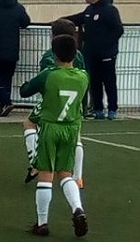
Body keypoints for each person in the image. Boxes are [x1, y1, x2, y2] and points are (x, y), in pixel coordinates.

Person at [19, 34, 88, 238]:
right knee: (66, 174)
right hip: (71, 129)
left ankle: (42, 223)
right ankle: (78, 209)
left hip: (50, 127)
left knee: (45, 175)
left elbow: (25, 91)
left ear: (54, 54)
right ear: (75, 54)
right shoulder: (83, 76)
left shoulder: (49, 74)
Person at [23, 19, 86, 189]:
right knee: (76, 135)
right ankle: (78, 177)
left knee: (29, 123)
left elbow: (45, 78)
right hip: (74, 100)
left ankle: (35, 162)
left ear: (52, 35)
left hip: (53, 102)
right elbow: (83, 73)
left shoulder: (49, 56)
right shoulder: (77, 54)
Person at [64, 0, 123, 120]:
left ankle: (112, 109)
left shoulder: (110, 10)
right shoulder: (89, 10)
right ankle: (98, 109)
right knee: (94, 81)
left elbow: (118, 30)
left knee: (109, 81)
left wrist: (107, 46)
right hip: (91, 53)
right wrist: (60, 21)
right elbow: (79, 18)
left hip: (107, 54)